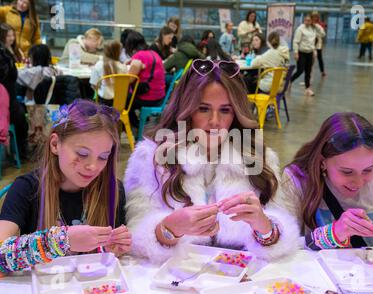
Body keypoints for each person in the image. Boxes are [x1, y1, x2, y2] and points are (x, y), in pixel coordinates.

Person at [123, 59, 299, 264]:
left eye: (225, 110)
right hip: (176, 277)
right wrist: (169, 228)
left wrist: (265, 228)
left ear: (236, 113)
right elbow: (136, 236)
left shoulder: (260, 158)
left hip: (243, 281)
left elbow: (285, 234)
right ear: (186, 108)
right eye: (203, 108)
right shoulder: (151, 158)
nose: (215, 121)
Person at [0, 99, 133, 276]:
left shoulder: (113, 190)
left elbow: (106, 259)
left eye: (103, 157)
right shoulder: (27, 189)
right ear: (55, 144)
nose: (93, 166)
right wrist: (60, 241)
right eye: (82, 154)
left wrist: (109, 248)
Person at [281, 112, 373, 250]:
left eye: (368, 170)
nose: (359, 182)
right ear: (323, 162)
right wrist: (332, 234)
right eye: (347, 172)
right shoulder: (297, 179)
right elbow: (277, 246)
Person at [0, 27, 28, 159]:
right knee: (22, 117)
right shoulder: (6, 57)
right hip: (10, 111)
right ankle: (20, 153)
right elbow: (14, 79)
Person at [124, 31, 165, 127]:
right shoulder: (153, 53)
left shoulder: (138, 56)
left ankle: (134, 125)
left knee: (122, 100)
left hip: (149, 98)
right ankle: (140, 121)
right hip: (160, 97)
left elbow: (130, 79)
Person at [291, 15, 325, 97]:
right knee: (300, 70)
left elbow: (323, 34)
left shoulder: (313, 28)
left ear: (311, 21)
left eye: (309, 20)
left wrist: (317, 25)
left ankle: (307, 89)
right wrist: (295, 53)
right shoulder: (300, 29)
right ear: (304, 20)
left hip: (310, 53)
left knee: (308, 72)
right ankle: (290, 80)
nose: (307, 21)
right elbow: (295, 41)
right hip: (301, 52)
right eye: (306, 20)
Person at [89, 40, 128, 106]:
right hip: (119, 103)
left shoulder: (99, 65)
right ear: (119, 52)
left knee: (90, 94)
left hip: (102, 103)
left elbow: (93, 85)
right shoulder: (123, 67)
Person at [311, 11, 327, 77]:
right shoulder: (309, 23)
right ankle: (309, 73)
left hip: (318, 44)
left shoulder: (319, 24)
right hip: (310, 44)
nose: (315, 18)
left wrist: (317, 34)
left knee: (320, 58)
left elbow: (323, 34)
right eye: (313, 16)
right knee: (310, 60)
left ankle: (322, 71)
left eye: (316, 16)